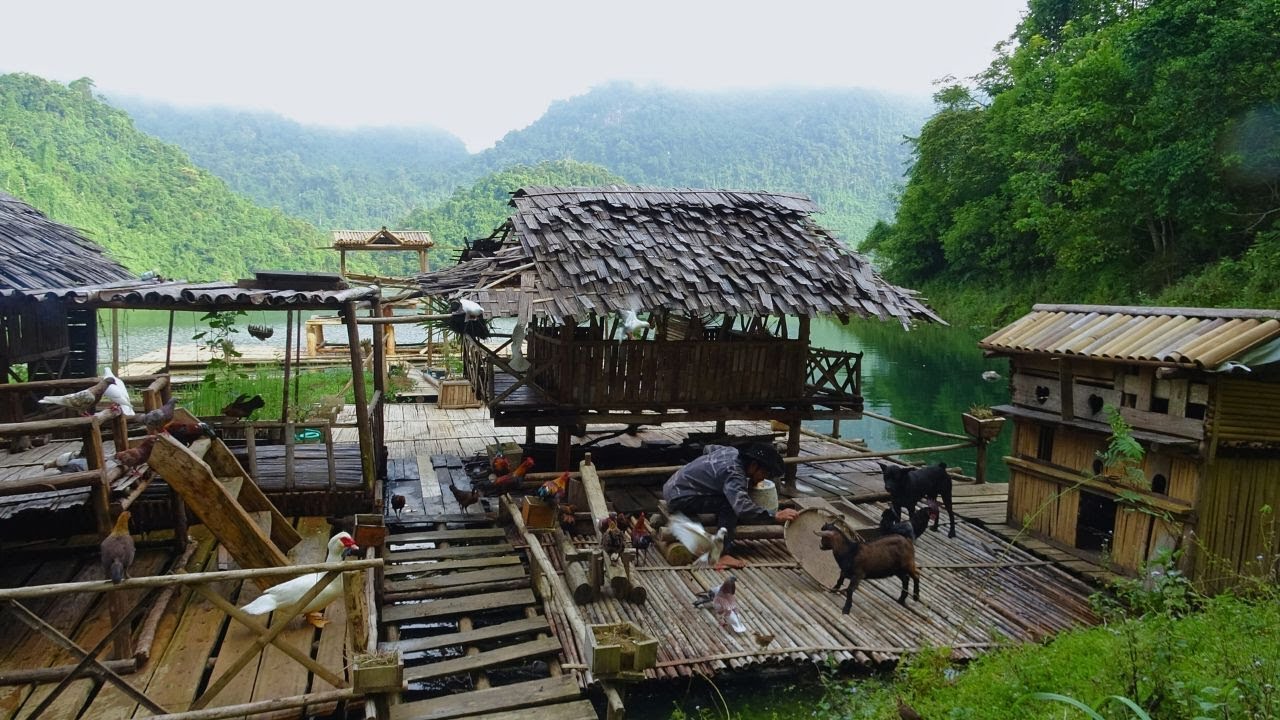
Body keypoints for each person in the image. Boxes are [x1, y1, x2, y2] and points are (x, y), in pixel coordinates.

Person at [662, 441, 800, 568]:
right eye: (763, 473)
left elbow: (708, 449)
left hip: (672, 485)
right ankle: (721, 555)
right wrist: (775, 515)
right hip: (679, 497)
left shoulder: (731, 451)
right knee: (729, 505)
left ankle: (723, 525)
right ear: (753, 466)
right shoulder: (734, 474)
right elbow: (743, 508)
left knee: (728, 496)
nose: (763, 478)